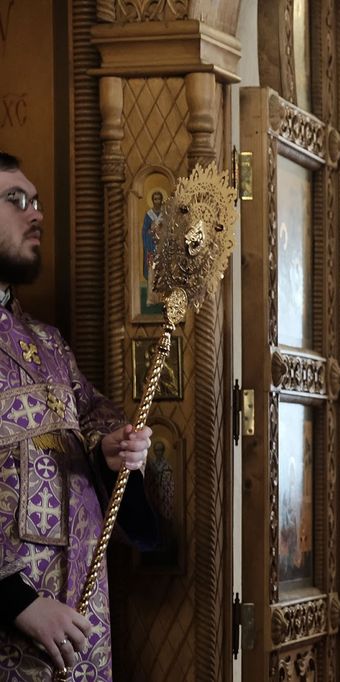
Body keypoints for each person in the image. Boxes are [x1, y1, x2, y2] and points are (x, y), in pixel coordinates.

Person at [0, 152, 158, 680]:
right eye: (15, 200)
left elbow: (95, 420)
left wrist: (110, 449)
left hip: (81, 630)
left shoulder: (48, 343)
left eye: (37, 200)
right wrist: (16, 602)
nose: (36, 213)